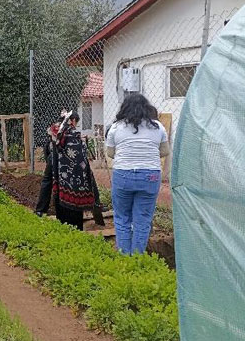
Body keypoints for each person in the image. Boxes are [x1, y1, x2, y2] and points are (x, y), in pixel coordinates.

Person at [106, 94, 169, 255]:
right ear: (146, 108)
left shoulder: (116, 127)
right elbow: (164, 152)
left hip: (123, 175)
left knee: (122, 218)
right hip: (150, 176)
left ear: (124, 108)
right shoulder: (158, 127)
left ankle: (124, 256)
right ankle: (138, 258)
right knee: (143, 220)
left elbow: (111, 153)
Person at [51, 111, 97, 230]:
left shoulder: (57, 134)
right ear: (72, 121)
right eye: (76, 122)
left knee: (63, 205)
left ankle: (62, 226)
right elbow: (81, 157)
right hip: (75, 180)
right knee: (75, 208)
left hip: (62, 179)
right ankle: (76, 228)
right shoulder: (74, 136)